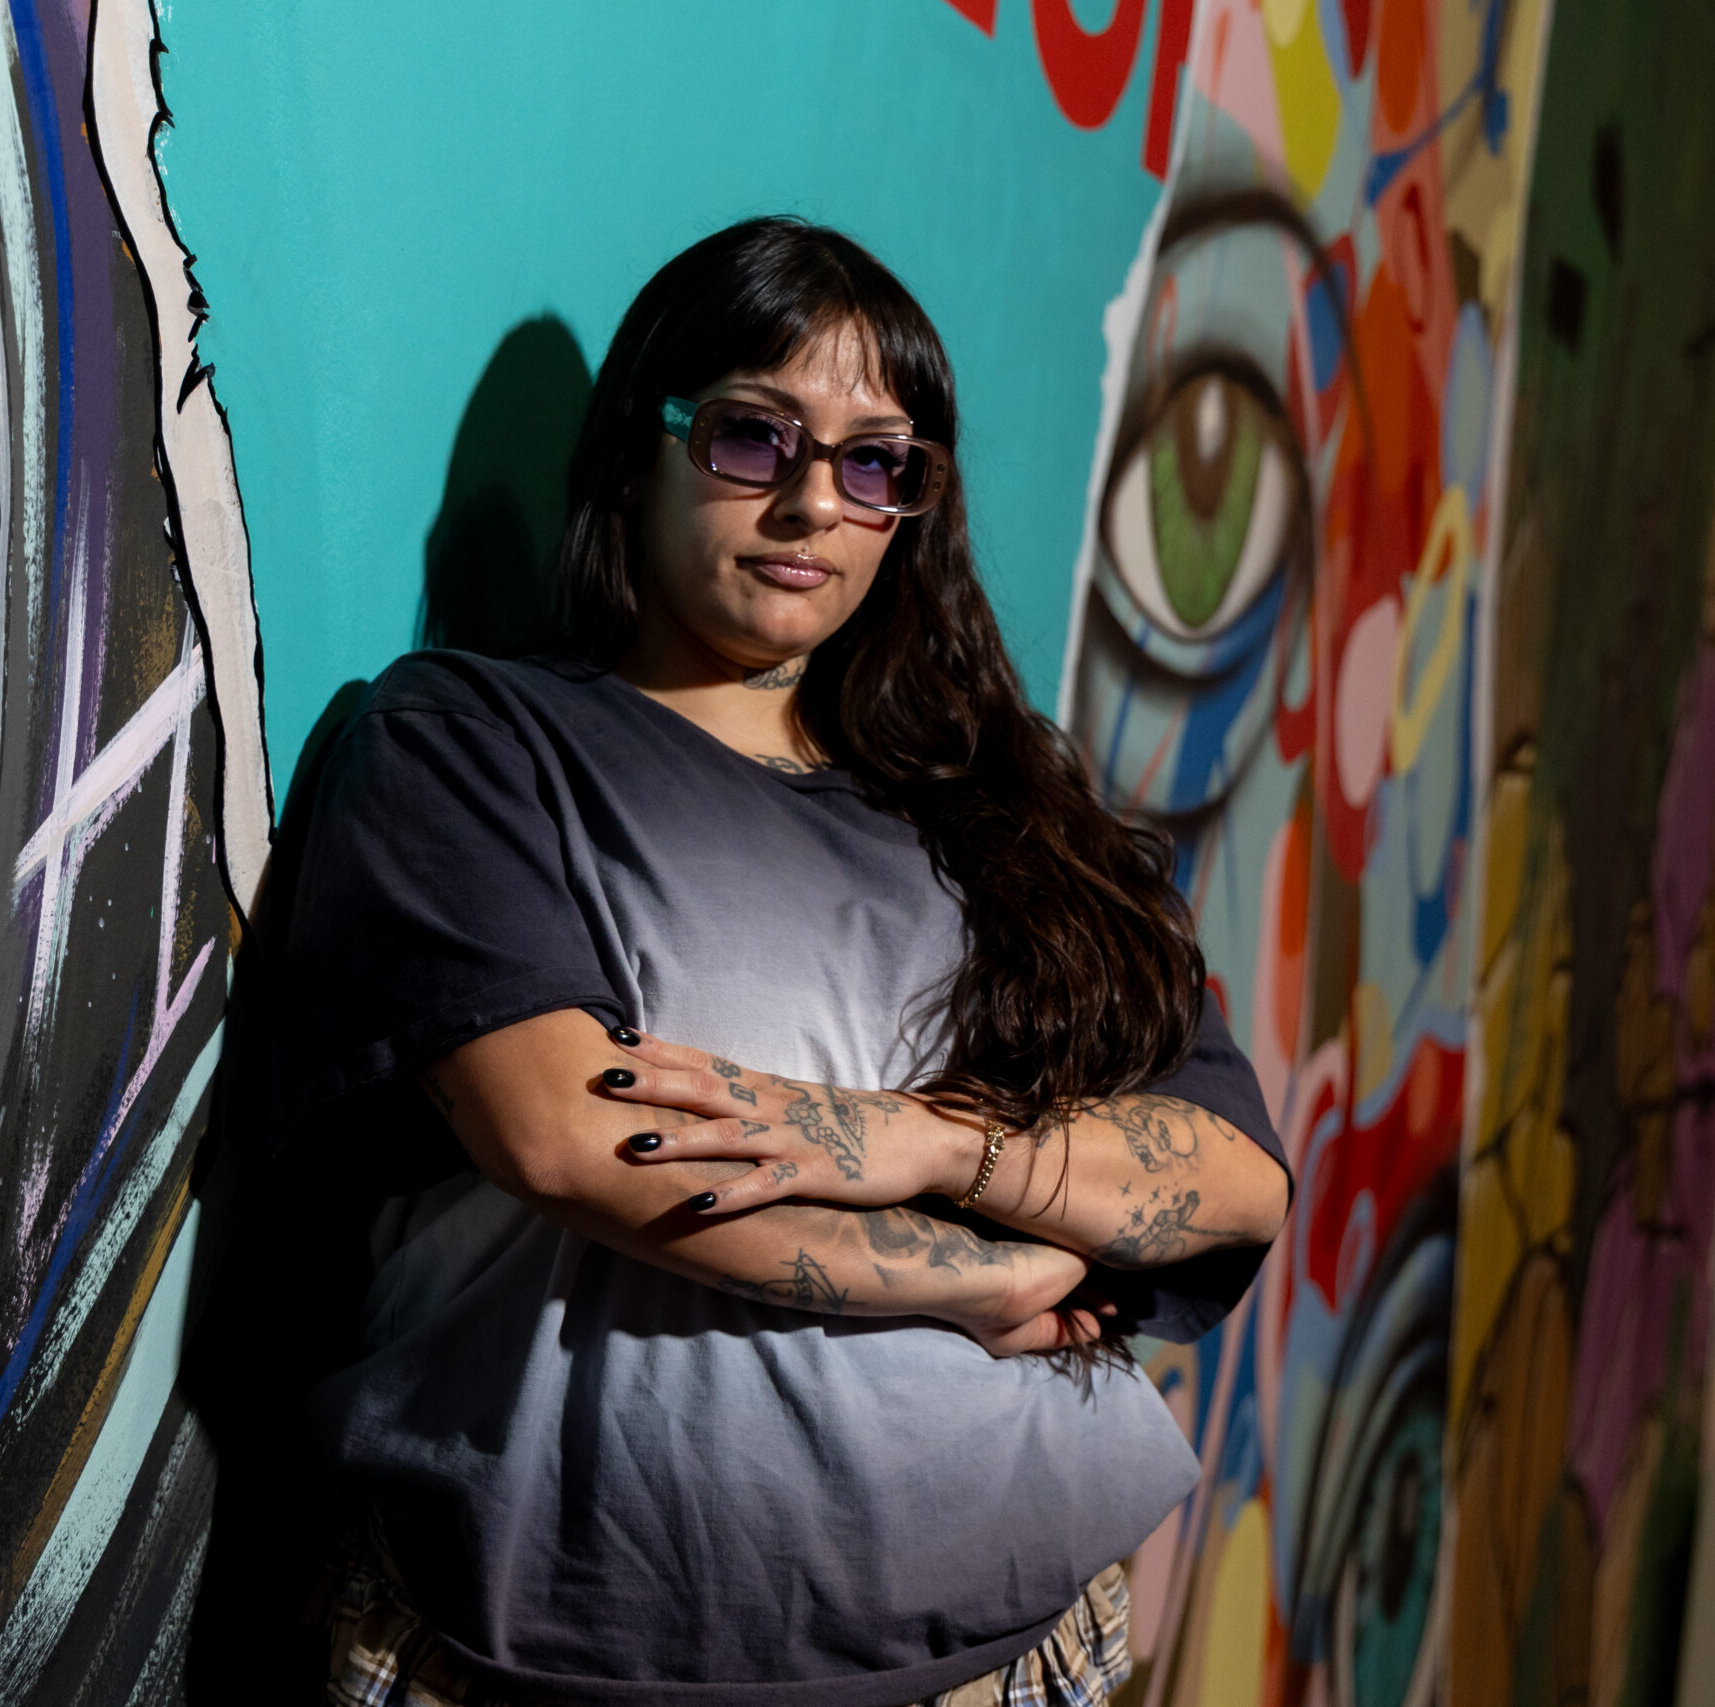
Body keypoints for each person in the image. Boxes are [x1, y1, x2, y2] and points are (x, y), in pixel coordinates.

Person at [265, 217, 1292, 1706]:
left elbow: (1231, 1176)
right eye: (756, 437)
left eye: (878, 463)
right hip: (549, 1662)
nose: (814, 502)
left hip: (1009, 1663)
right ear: (645, 444)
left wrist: (916, 1141)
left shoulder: (1007, 810)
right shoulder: (469, 741)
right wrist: (971, 1285)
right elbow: (570, 1139)